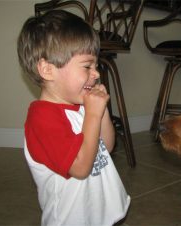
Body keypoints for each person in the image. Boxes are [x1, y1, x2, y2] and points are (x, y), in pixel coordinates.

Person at [17, 10, 130, 226]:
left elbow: (106, 145)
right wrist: (93, 115)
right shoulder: (41, 119)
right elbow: (79, 168)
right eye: (87, 66)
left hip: (97, 212)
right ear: (47, 70)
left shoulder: (81, 106)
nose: (96, 73)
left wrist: (101, 111)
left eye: (96, 66)